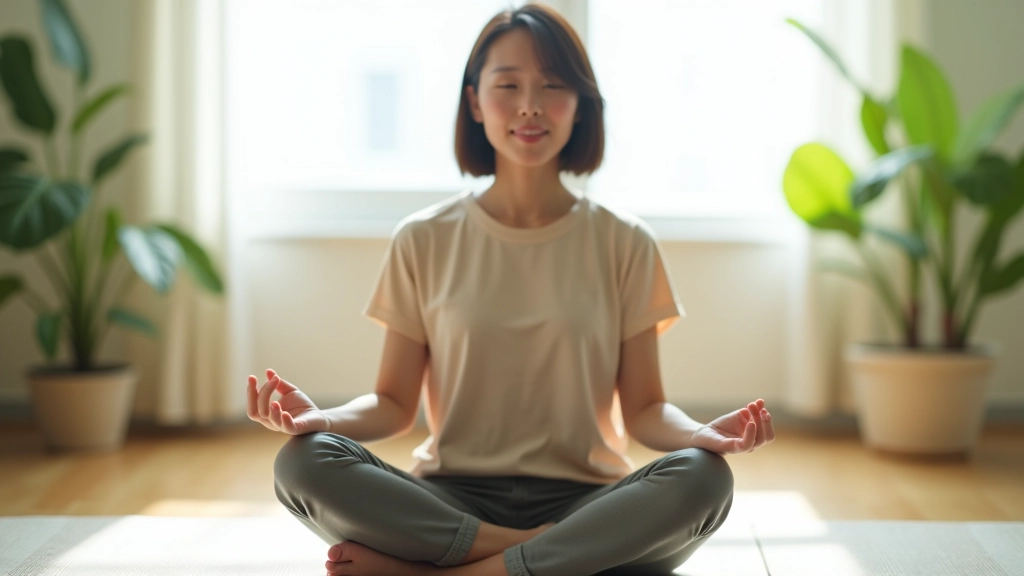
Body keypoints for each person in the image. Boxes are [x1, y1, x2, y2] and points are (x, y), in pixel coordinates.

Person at [247, 4, 775, 575]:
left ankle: (449, 572)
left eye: (553, 86)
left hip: (586, 501)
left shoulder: (627, 242)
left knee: (703, 477)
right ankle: (532, 560)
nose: (530, 105)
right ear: (475, 101)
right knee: (302, 464)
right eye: (508, 85)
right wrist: (322, 421)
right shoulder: (422, 238)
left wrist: (700, 434)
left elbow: (644, 410)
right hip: (452, 501)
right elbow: (395, 404)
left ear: (580, 105)